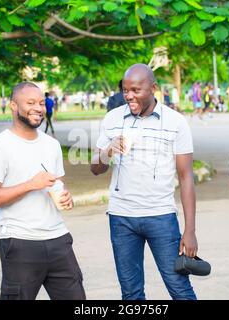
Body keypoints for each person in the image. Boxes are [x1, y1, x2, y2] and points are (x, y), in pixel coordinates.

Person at [91, 64, 198, 300]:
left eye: (136, 90)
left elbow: (186, 177)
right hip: (122, 218)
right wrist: (108, 150)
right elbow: (95, 168)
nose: (129, 96)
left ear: (153, 88)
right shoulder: (112, 118)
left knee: (179, 288)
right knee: (131, 293)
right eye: (126, 90)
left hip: (160, 216)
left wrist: (189, 230)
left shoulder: (176, 122)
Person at [0, 81, 85, 300]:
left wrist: (66, 197)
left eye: (41, 102)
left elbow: (57, 184)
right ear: (13, 106)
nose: (38, 108)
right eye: (30, 102)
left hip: (59, 239)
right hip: (20, 243)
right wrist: (30, 185)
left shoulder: (51, 145)